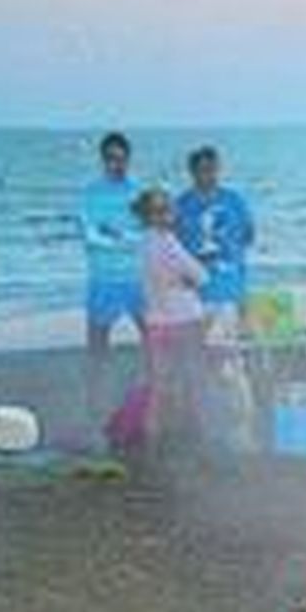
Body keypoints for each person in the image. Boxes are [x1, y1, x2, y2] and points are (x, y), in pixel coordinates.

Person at [79, 132, 145, 430]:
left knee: (154, 341)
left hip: (136, 279)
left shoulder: (139, 193)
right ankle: (96, 405)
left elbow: (147, 237)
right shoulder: (90, 194)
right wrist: (122, 238)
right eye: (110, 158)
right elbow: (90, 237)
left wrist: (116, 235)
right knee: (97, 349)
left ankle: (154, 399)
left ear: (128, 159)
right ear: (102, 160)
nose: (115, 164)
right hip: (103, 279)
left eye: (120, 158)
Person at [138, 188, 208, 450]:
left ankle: (153, 441)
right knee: (192, 380)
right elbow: (201, 277)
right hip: (183, 319)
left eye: (167, 208)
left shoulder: (145, 243)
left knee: (160, 385)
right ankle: (194, 437)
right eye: (162, 210)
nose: (168, 214)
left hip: (156, 321)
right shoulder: (168, 243)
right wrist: (187, 279)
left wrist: (185, 279)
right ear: (151, 215)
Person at [175, 146, 255, 335]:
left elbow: (249, 234)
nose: (208, 175)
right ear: (192, 172)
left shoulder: (234, 200)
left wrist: (229, 253)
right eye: (202, 170)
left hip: (232, 283)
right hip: (197, 287)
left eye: (212, 169)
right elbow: (174, 245)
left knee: (237, 339)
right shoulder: (181, 204)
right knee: (198, 340)